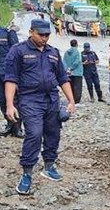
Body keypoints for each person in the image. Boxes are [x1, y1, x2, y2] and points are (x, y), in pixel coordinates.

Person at [4, 19, 75, 195]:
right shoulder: (18, 51)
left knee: (53, 133)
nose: (44, 38)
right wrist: (10, 105)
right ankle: (27, 173)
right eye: (41, 35)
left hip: (51, 99)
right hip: (29, 99)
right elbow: (11, 78)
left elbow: (62, 78)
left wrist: (71, 101)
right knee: (34, 133)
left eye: (47, 35)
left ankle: (49, 166)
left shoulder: (53, 52)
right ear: (31, 32)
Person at [0, 14, 22, 138]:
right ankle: (9, 124)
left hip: (9, 73)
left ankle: (18, 127)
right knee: (2, 100)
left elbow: (17, 53)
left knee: (15, 100)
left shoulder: (8, 33)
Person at [62, 39, 83, 104]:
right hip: (77, 72)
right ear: (76, 44)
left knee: (71, 86)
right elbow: (76, 62)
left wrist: (67, 69)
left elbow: (64, 62)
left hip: (69, 73)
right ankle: (77, 101)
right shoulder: (76, 52)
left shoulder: (66, 52)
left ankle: (71, 100)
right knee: (77, 87)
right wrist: (71, 68)